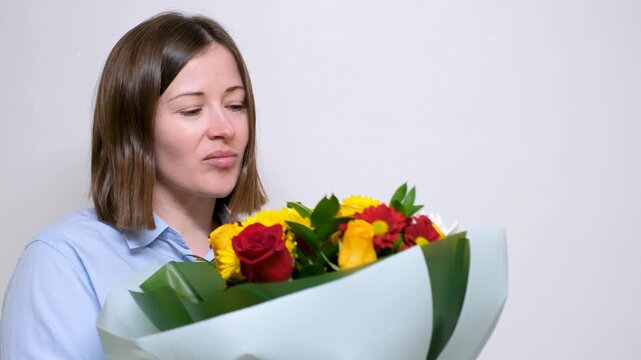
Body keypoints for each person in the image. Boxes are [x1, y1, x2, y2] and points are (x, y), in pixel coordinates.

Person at [0, 12, 266, 359]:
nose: (224, 128)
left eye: (235, 105)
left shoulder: (271, 253)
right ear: (134, 130)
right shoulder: (65, 260)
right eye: (191, 110)